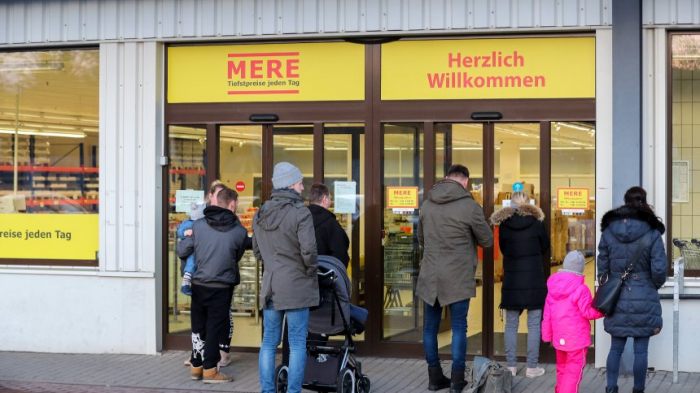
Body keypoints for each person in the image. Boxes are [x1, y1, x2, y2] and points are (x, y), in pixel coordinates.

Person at [417, 164, 493, 393]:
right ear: (465, 181)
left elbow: (421, 239)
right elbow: (487, 240)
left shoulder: (427, 204)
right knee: (459, 326)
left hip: (431, 274)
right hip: (458, 273)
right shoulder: (469, 206)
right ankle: (457, 380)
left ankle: (434, 377)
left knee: (430, 327)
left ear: (447, 178)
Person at [253, 162, 319, 393]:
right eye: (300, 183)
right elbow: (309, 251)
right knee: (298, 343)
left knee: (269, 342)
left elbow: (257, 251)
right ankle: (293, 391)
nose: (303, 189)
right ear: (291, 184)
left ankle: (267, 390)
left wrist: (273, 266)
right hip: (297, 285)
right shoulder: (301, 212)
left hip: (271, 285)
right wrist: (310, 271)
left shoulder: (260, 212)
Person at [598, 186, 667, 393]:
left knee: (615, 347)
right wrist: (651, 285)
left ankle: (611, 388)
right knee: (641, 351)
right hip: (644, 292)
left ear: (625, 202)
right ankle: (638, 390)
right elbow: (660, 269)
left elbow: (602, 266)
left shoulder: (610, 230)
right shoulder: (652, 232)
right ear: (643, 201)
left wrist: (609, 282)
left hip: (616, 296)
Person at [177, 187, 249, 383]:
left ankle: (196, 367)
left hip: (199, 283)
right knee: (215, 326)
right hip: (222, 285)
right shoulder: (240, 232)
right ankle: (210, 370)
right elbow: (236, 256)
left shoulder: (198, 226)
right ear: (232, 205)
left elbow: (183, 249)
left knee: (198, 326)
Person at [489, 191, 549, 378]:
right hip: (533, 279)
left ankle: (511, 367)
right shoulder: (537, 222)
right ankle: (532, 368)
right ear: (529, 203)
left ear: (512, 204)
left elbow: (504, 249)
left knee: (511, 325)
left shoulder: (505, 225)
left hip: (512, 280)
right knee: (533, 325)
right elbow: (545, 246)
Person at [180, 180, 235, 368]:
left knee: (217, 320)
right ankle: (201, 359)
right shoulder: (201, 221)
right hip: (202, 277)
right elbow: (183, 249)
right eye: (217, 194)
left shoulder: (226, 222)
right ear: (210, 197)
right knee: (202, 323)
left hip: (217, 278)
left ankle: (217, 355)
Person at [542, 250, 604, 393]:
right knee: (573, 372)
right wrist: (603, 311)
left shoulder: (553, 288)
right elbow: (587, 312)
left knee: (562, 369)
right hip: (576, 341)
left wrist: (546, 336)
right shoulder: (581, 289)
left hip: (559, 339)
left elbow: (547, 315)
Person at [307, 182, 350, 267]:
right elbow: (341, 253)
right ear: (325, 199)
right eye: (330, 198)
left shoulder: (299, 219)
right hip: (324, 274)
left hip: (301, 275)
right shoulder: (331, 223)